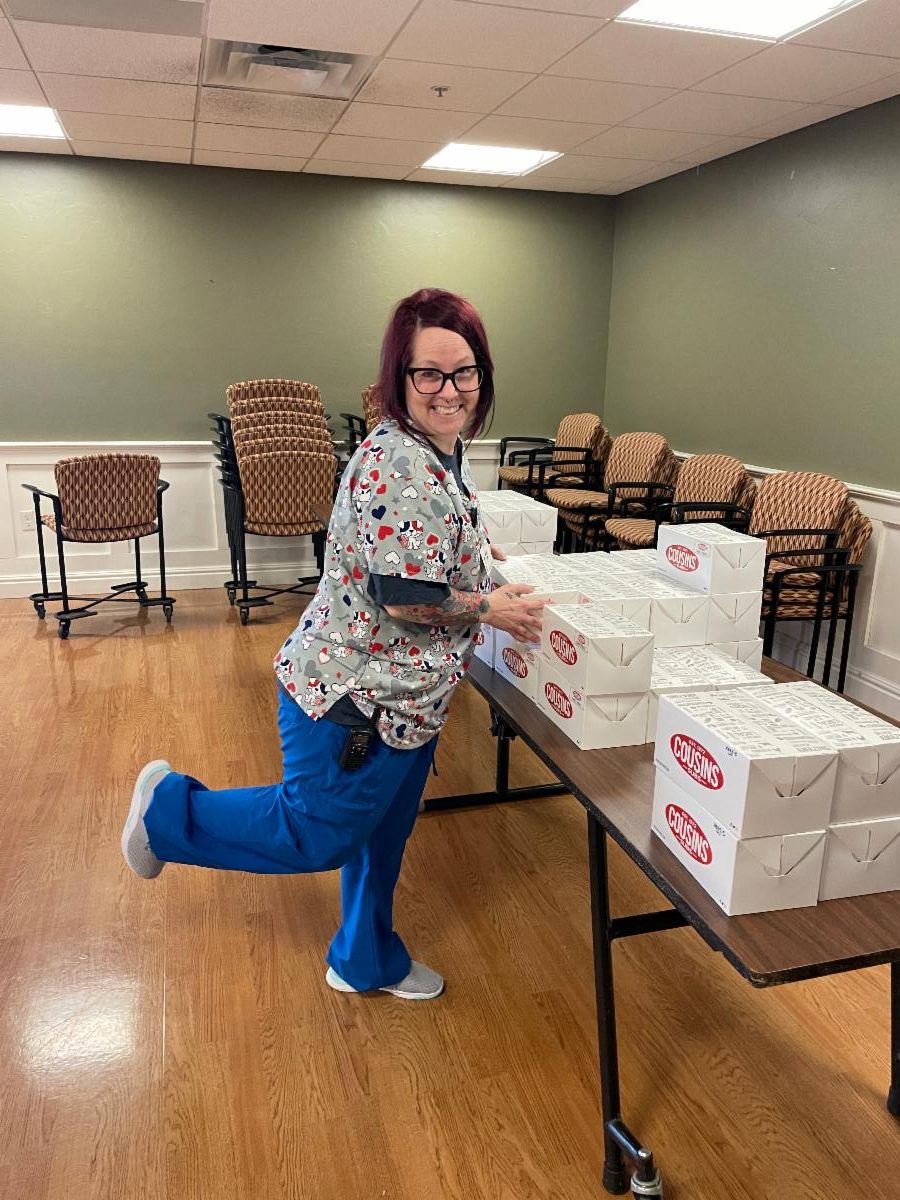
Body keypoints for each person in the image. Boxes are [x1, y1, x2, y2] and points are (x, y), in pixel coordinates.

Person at [121, 288, 545, 1001]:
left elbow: (419, 545)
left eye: (465, 372)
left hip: (410, 699)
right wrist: (489, 608)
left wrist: (470, 550)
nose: (450, 391)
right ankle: (166, 812)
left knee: (383, 833)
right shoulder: (399, 464)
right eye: (429, 373)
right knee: (315, 834)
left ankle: (363, 960)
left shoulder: (440, 448)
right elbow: (403, 595)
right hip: (357, 699)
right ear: (398, 376)